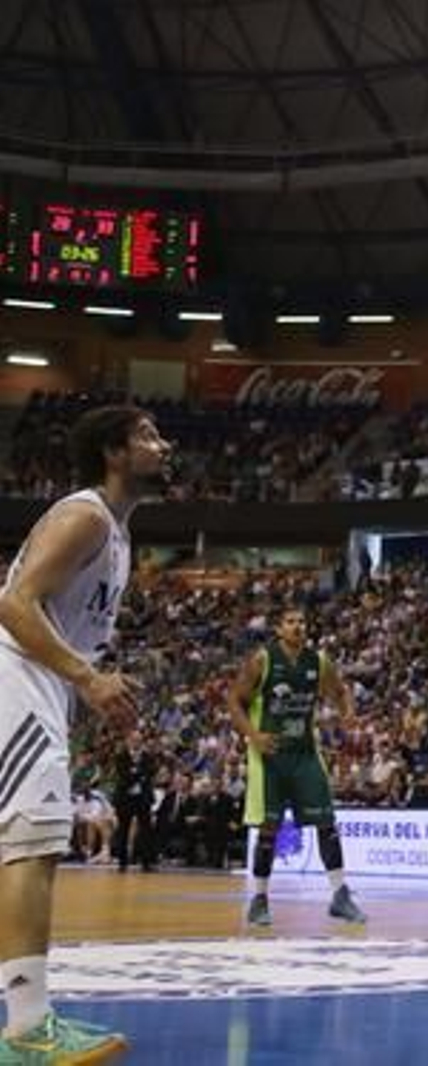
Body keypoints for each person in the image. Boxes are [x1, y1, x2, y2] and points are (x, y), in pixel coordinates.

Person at [0, 404, 171, 1062]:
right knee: (31, 846)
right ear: (114, 453)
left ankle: (29, 1019)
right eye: (148, 436)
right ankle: (26, 1027)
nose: (164, 444)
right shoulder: (86, 516)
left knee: (33, 846)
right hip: (16, 675)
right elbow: (13, 602)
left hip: (40, 682)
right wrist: (84, 677)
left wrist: (85, 680)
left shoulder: (120, 533)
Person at [227, 606, 366, 928]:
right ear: (279, 628)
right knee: (268, 829)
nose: (298, 626)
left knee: (327, 822)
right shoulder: (262, 659)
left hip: (305, 752)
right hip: (269, 755)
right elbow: (234, 700)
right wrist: (253, 736)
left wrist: (347, 712)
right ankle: (259, 899)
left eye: (302, 621)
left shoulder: (318, 662)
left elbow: (340, 691)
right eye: (291, 621)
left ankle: (340, 895)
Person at [110, 730, 158, 873]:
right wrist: (139, 774)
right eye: (134, 739)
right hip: (125, 798)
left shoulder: (148, 757)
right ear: (129, 741)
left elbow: (150, 773)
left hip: (143, 798)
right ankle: (122, 862)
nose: (136, 742)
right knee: (123, 830)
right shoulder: (121, 757)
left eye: (139, 740)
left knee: (145, 830)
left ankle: (146, 862)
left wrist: (135, 773)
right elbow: (123, 776)